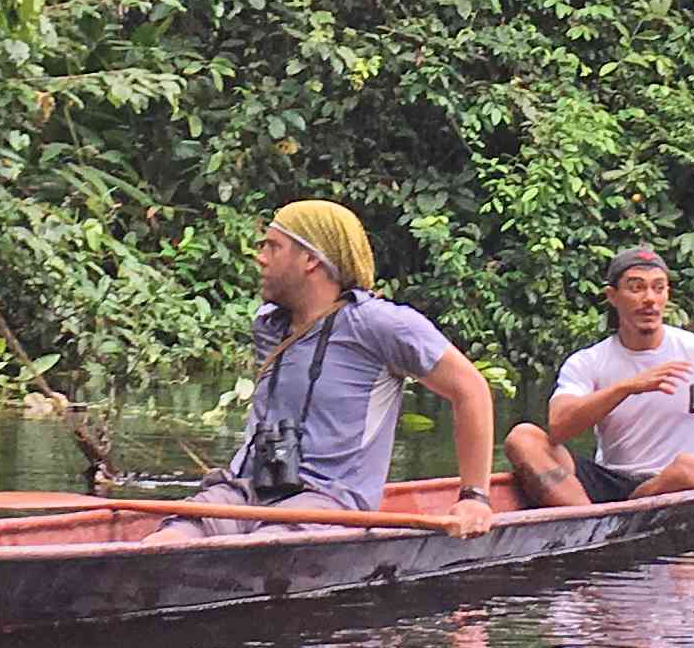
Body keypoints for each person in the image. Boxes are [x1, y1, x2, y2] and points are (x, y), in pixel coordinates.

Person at [155, 199, 495, 540]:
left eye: (273, 247)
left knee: (263, 544)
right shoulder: (269, 325)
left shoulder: (380, 325)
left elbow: (470, 389)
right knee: (172, 536)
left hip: (329, 502)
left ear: (311, 259)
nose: (260, 258)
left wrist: (474, 498)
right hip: (248, 489)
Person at [503, 246, 694, 506]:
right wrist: (627, 387)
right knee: (522, 438)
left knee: (691, 470)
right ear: (612, 296)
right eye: (636, 288)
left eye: (659, 288)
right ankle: (588, 519)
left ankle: (613, 515)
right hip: (611, 478)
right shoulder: (589, 361)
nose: (649, 299)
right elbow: (559, 427)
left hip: (676, 483)